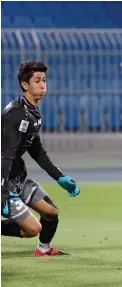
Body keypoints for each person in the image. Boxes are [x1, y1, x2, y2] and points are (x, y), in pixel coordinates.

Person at [1, 61, 81, 256]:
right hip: (3, 179)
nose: (43, 84)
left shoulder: (33, 111)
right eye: (37, 80)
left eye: (44, 80)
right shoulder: (17, 114)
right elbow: (6, 154)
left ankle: (43, 249)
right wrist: (3, 191)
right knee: (32, 229)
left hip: (17, 176)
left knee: (51, 213)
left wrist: (59, 177)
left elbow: (36, 150)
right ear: (25, 85)